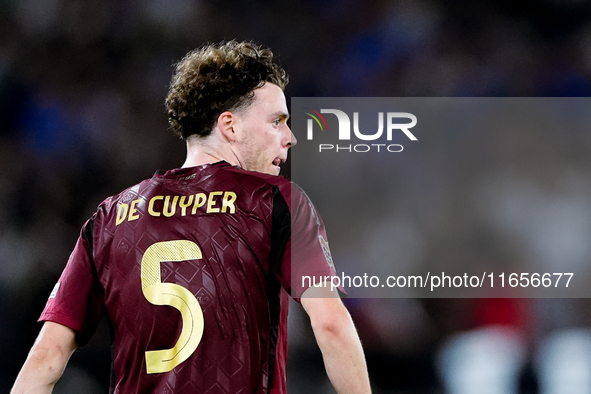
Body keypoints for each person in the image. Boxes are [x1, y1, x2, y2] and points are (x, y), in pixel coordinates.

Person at [11, 40, 371, 394]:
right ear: (230, 126)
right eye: (277, 121)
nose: (290, 137)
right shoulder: (274, 201)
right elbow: (331, 326)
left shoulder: (109, 217)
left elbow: (46, 357)